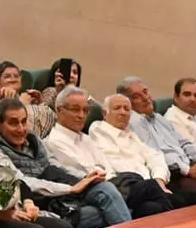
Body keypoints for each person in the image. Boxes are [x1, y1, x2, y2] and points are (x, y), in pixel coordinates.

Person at [0, 98, 132, 228]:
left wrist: (85, 178)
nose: (21, 129)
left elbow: (54, 164)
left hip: (61, 194)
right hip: (39, 202)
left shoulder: (32, 138)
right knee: (102, 212)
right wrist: (70, 188)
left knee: (106, 188)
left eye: (24, 122)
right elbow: (21, 182)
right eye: (13, 123)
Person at [48, 88, 174, 219]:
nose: (81, 115)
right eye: (75, 110)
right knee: (151, 187)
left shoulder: (85, 138)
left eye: (85, 110)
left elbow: (106, 166)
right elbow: (88, 173)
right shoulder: (56, 141)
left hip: (112, 184)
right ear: (59, 110)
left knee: (151, 207)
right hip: (88, 191)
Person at [120, 77, 196, 205]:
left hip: (191, 167)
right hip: (174, 175)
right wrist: (188, 170)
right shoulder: (134, 123)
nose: (146, 98)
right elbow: (155, 155)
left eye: (145, 92)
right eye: (137, 97)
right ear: (128, 103)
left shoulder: (158, 118)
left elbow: (185, 142)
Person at [0, 61, 53, 136]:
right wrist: (22, 104)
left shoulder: (29, 98)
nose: (13, 79)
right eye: (7, 76)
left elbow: (52, 123)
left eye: (16, 76)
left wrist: (40, 101)